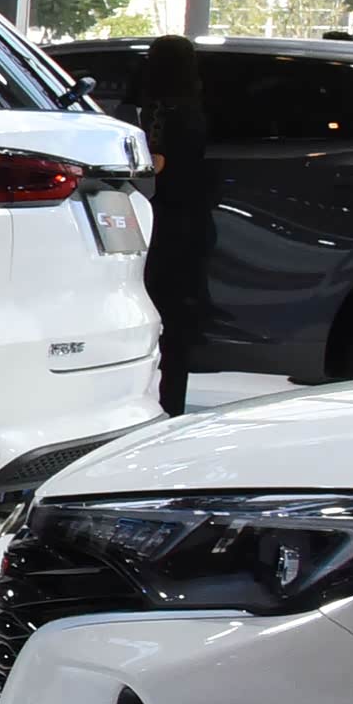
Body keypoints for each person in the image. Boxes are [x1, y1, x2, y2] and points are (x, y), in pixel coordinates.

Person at [140, 31, 213, 417]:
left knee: (157, 311)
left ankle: (154, 402)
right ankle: (173, 404)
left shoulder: (160, 112)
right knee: (180, 318)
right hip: (194, 220)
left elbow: (156, 165)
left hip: (163, 223)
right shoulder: (196, 108)